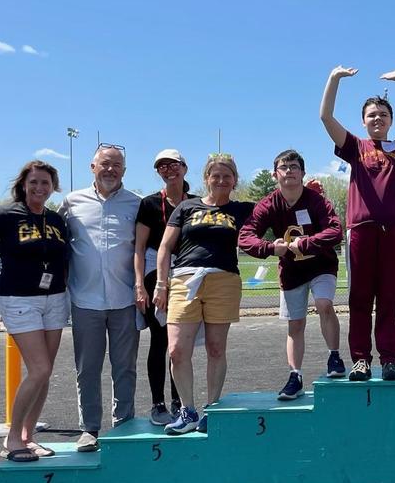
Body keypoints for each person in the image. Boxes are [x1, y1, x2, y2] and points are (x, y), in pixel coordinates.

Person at [320, 65, 395, 381]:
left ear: (390, 120)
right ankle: (361, 359)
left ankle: (390, 359)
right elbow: (326, 117)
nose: (377, 119)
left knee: (391, 299)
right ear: (363, 121)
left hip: (392, 233)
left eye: (382, 114)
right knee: (360, 298)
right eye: (371, 115)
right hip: (360, 233)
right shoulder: (355, 147)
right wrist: (334, 79)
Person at [0, 160, 69, 462]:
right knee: (38, 369)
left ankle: (29, 436)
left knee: (44, 372)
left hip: (54, 297)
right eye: (34, 182)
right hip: (19, 299)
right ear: (23, 185)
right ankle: (12, 438)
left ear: (53, 187)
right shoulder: (5, 215)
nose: (40, 188)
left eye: (45, 183)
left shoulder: (56, 219)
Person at [153, 154, 254, 434]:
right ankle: (187, 411)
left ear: (235, 180)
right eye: (215, 175)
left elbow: (278, 208)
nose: (221, 180)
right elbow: (164, 248)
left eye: (227, 176)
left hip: (223, 280)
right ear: (206, 178)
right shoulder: (186, 206)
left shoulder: (242, 209)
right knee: (176, 350)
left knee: (216, 348)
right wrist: (161, 284)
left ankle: (213, 409)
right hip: (185, 279)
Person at [239, 149, 344, 399]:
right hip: (292, 271)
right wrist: (270, 248)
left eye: (294, 167)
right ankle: (295, 375)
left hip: (321, 265)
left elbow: (335, 230)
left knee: (324, 303)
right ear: (276, 174)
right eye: (284, 168)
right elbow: (246, 236)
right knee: (295, 324)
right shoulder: (268, 204)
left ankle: (334, 357)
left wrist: (306, 243)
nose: (289, 171)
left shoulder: (316, 200)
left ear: (303, 173)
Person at [59, 144, 141, 452]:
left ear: (124, 170)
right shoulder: (70, 202)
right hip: (84, 300)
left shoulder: (136, 204)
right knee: (87, 368)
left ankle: (123, 425)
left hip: (125, 298)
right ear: (92, 167)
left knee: (125, 366)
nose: (110, 169)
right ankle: (89, 429)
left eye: (116, 165)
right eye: (104, 164)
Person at [134, 149, 195, 425]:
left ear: (184, 167)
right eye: (162, 167)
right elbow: (138, 247)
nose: (168, 170)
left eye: (173, 165)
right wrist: (140, 285)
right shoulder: (149, 204)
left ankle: (179, 401)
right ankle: (158, 404)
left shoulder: (196, 202)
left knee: (180, 343)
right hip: (153, 274)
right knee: (160, 340)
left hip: (186, 273)